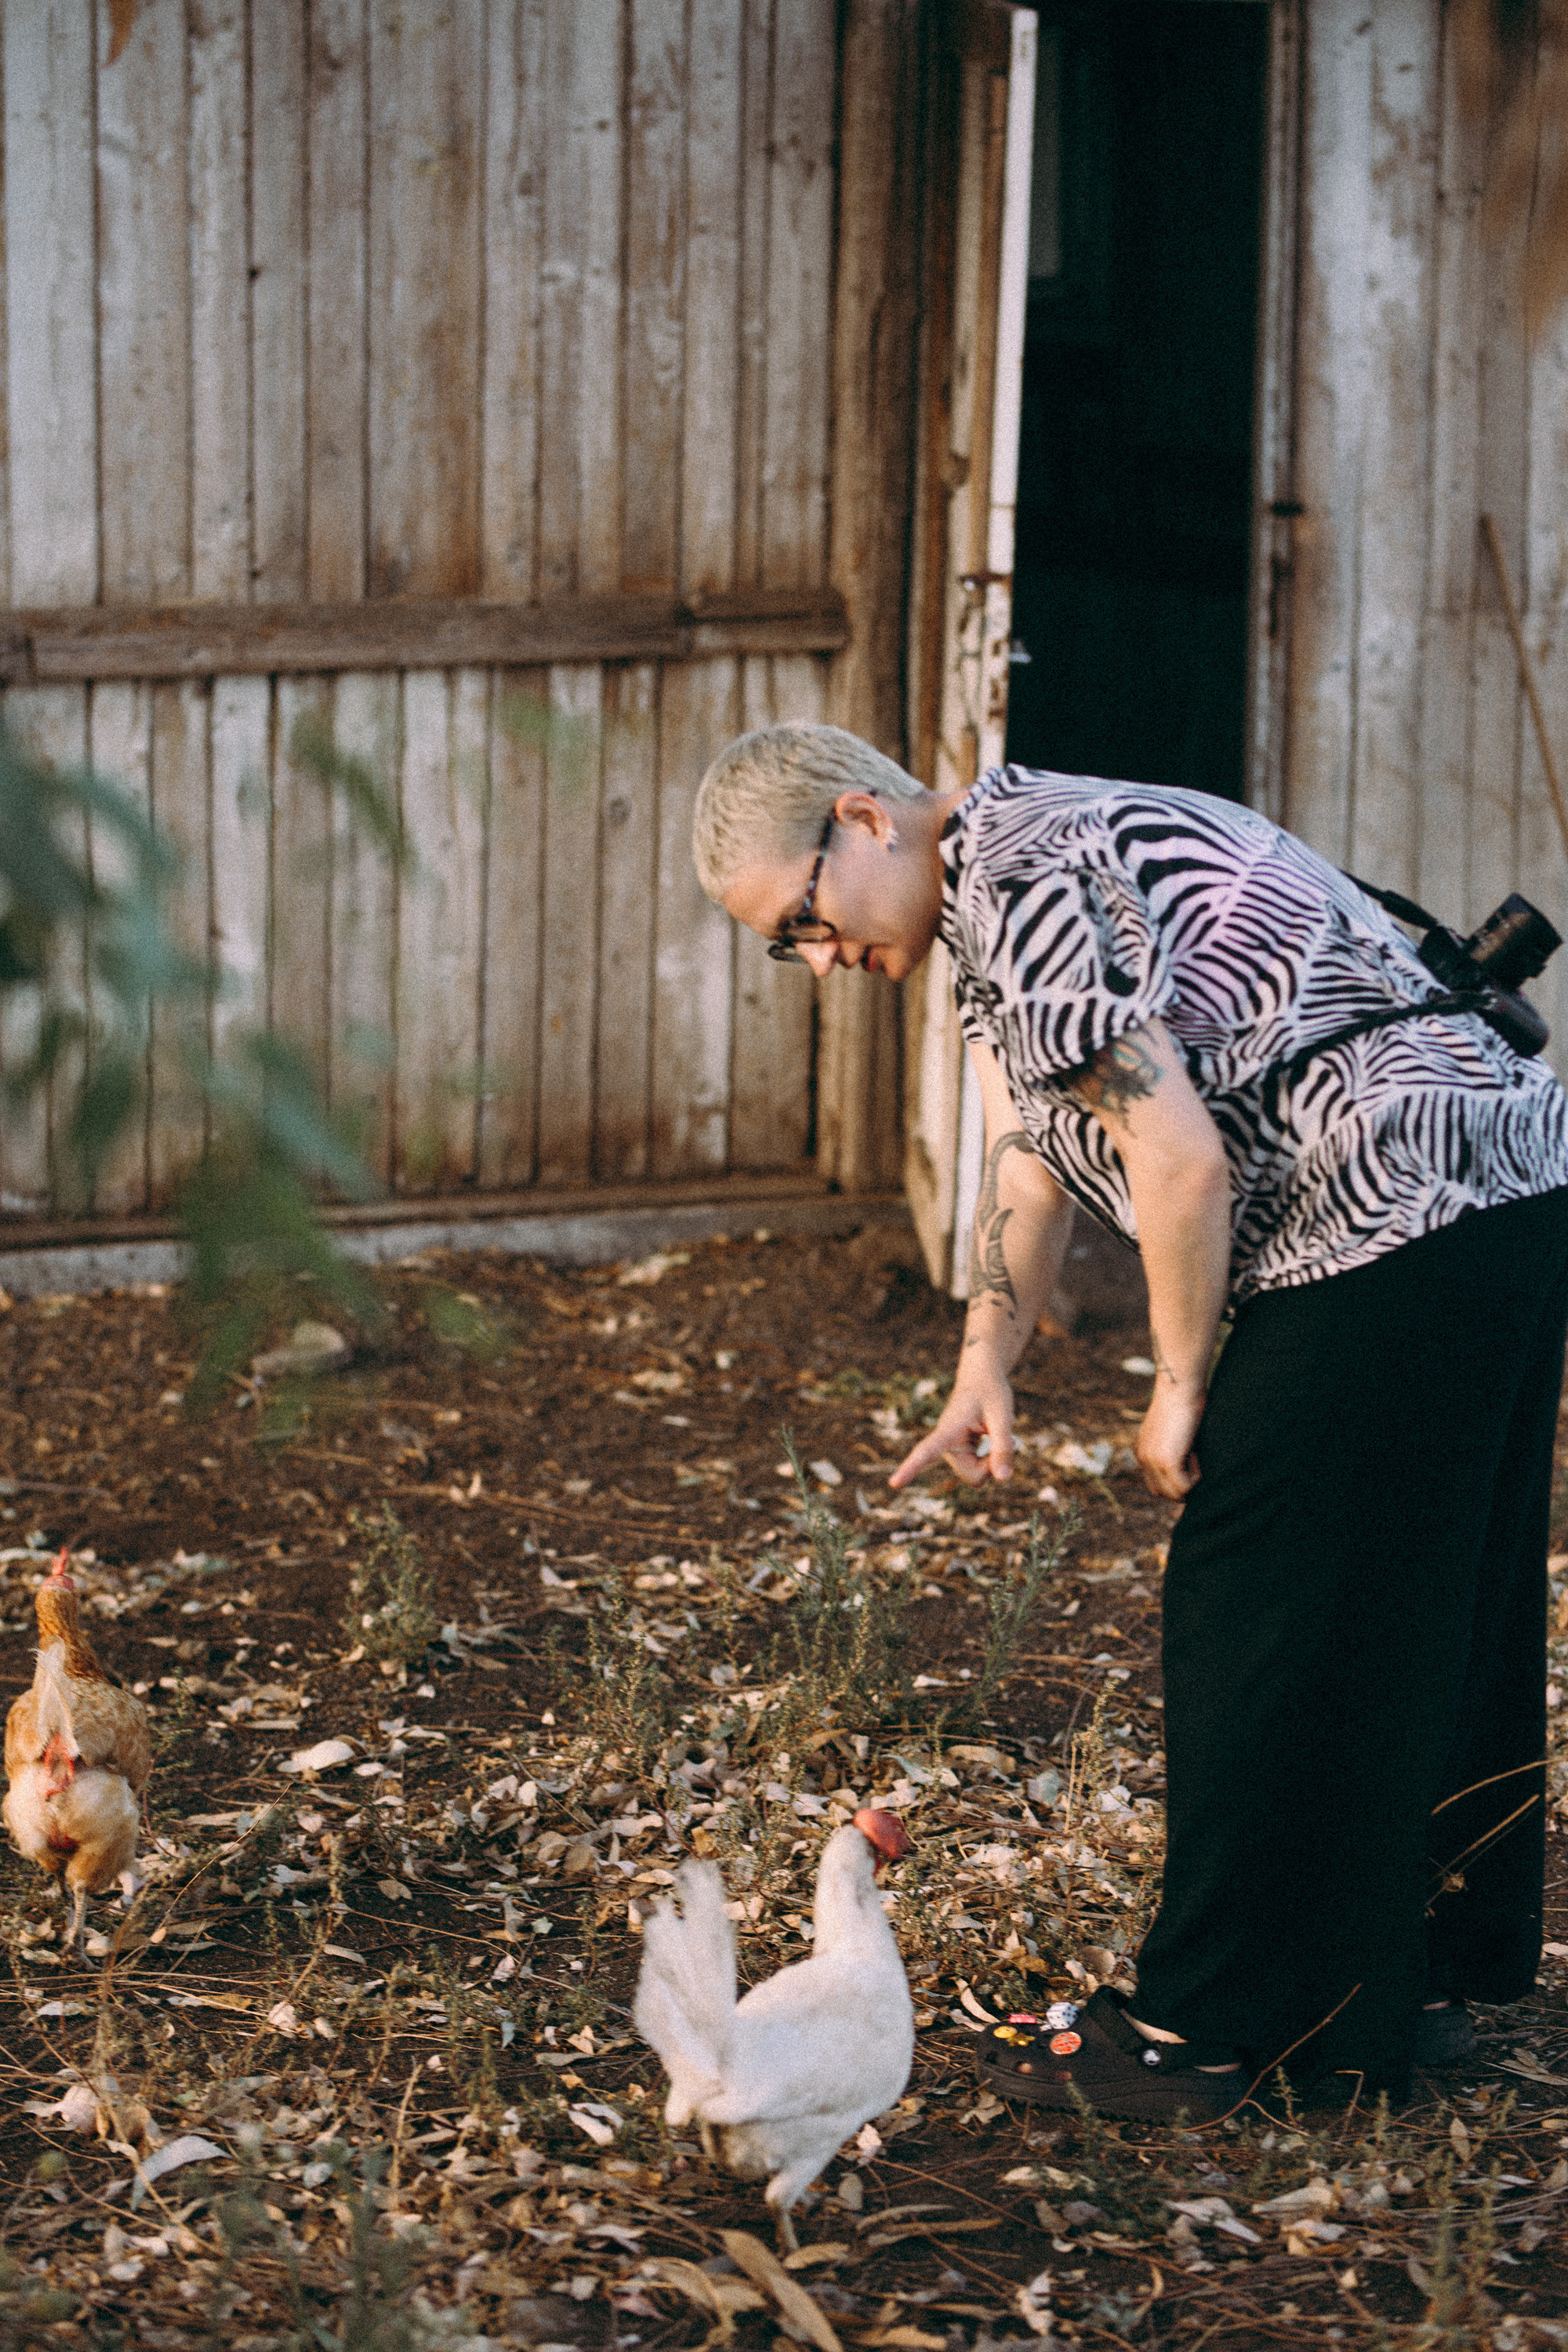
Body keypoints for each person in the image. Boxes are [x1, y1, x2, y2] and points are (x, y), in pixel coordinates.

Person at [693, 721, 1568, 2118]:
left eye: (800, 918)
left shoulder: (1023, 880)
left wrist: (1179, 1386)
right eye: (781, 947)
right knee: (1419, 1590)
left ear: (860, 818)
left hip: (1400, 1212)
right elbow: (1033, 1165)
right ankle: (1400, 1982)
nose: (814, 960)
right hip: (1499, 1192)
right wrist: (989, 1362)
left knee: (1253, 1594)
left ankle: (1207, 2032)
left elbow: (1179, 1161)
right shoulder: (1006, 880)